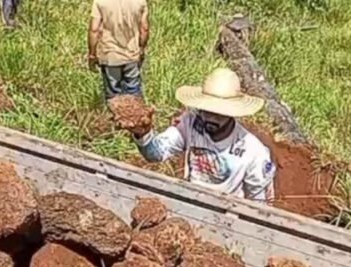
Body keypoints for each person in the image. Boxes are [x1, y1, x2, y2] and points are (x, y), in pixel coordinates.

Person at [117, 68, 276, 202]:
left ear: (232, 114)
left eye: (219, 114)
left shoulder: (254, 151)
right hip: (190, 201)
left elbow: (259, 201)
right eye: (207, 111)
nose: (211, 118)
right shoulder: (190, 123)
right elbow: (156, 154)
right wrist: (143, 134)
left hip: (229, 213)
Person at [88, 0, 149, 100]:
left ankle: (115, 121)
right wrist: (141, 48)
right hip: (132, 54)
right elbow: (144, 28)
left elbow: (94, 30)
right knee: (134, 93)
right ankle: (137, 120)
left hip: (110, 55)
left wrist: (92, 54)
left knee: (113, 96)